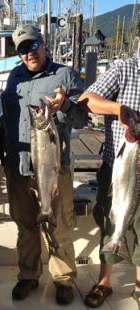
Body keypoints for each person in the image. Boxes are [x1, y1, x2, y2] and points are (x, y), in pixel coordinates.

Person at [0, 24, 88, 305]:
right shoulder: (14, 78)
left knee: (59, 226)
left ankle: (63, 279)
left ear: (43, 43)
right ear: (18, 54)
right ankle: (29, 275)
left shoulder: (65, 75)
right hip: (18, 167)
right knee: (26, 225)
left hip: (54, 169)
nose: (29, 53)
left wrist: (66, 107)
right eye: (23, 49)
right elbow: (7, 121)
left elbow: (82, 120)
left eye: (33, 45)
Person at [77, 30, 140, 308]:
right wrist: (119, 109)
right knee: (110, 222)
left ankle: (139, 286)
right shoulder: (123, 68)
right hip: (119, 166)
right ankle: (104, 281)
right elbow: (87, 100)